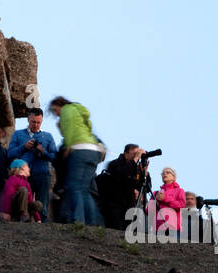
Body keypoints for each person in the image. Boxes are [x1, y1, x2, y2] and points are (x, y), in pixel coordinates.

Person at [48, 96, 103, 225]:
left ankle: (78, 221)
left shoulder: (67, 110)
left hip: (80, 150)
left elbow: (69, 127)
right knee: (83, 190)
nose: (56, 114)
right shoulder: (79, 111)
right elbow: (89, 128)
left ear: (59, 105)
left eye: (55, 110)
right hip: (93, 150)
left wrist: (68, 144)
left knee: (75, 188)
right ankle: (95, 222)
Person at [8, 108, 57, 221]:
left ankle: (44, 231)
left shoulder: (47, 136)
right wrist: (24, 147)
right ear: (28, 120)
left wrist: (43, 151)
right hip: (23, 176)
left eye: (38, 122)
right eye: (33, 122)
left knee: (43, 207)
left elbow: (54, 157)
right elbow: (10, 154)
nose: (35, 125)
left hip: (42, 175)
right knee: (22, 206)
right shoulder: (18, 134)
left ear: (42, 121)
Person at [98, 145, 146, 230]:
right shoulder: (114, 164)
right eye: (135, 153)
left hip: (129, 207)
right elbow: (122, 175)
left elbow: (141, 186)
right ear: (126, 153)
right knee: (115, 230)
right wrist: (135, 160)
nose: (137, 156)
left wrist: (143, 172)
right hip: (114, 205)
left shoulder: (136, 168)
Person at [152, 167, 185, 236]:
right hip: (157, 228)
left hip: (173, 228)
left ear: (174, 177)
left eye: (168, 172)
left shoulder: (179, 191)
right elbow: (148, 211)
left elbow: (181, 205)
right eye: (163, 173)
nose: (164, 174)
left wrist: (165, 198)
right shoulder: (156, 193)